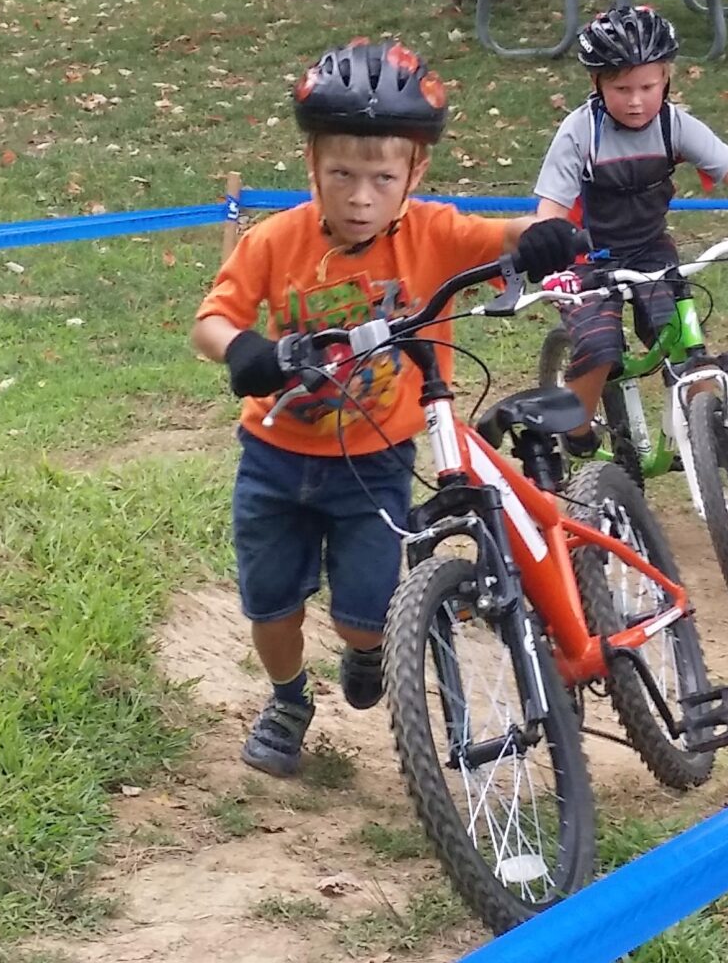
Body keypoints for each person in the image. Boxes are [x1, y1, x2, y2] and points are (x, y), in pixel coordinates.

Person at [193, 40, 587, 778]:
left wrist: (550, 236)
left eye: (382, 176)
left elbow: (507, 236)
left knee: (363, 613)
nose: (360, 196)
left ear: (416, 171)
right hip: (275, 459)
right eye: (341, 174)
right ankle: (286, 700)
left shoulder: (435, 233)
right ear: (312, 165)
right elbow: (211, 321)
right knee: (271, 605)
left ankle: (366, 652)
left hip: (374, 463)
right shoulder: (274, 240)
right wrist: (243, 351)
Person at [531, 6, 728, 455]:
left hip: (651, 251)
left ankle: (710, 438)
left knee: (684, 341)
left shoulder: (674, 124)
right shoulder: (580, 133)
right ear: (596, 84)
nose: (636, 100)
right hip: (588, 260)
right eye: (622, 88)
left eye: (648, 87)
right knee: (599, 349)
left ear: (667, 79)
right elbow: (550, 212)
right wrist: (555, 264)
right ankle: (576, 433)